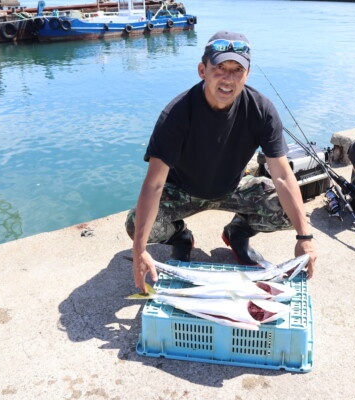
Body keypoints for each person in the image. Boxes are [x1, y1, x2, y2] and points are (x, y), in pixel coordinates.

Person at [125, 30, 317, 293]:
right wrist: (140, 251)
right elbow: (155, 184)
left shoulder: (262, 110)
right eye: (220, 68)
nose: (228, 78)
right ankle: (180, 235)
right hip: (183, 191)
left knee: (291, 212)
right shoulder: (176, 114)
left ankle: (238, 231)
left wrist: (304, 238)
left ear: (247, 74)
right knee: (136, 224)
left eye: (237, 69)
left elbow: (283, 176)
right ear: (202, 70)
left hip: (234, 187)